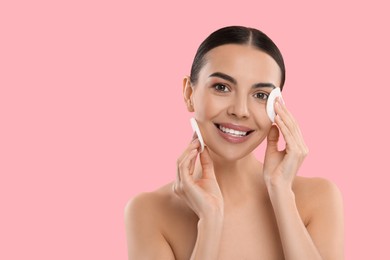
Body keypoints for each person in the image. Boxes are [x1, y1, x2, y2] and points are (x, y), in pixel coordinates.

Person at [125, 26, 344, 260]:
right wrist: (209, 223)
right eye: (222, 87)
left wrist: (281, 193)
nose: (240, 111)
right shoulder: (149, 211)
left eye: (260, 95)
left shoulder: (318, 198)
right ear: (189, 93)